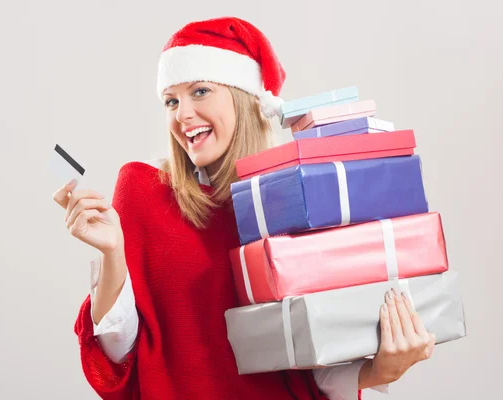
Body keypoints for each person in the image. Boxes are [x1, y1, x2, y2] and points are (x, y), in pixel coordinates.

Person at [52, 16, 436, 400]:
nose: (182, 114)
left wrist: (378, 369)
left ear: (243, 98)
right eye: (171, 100)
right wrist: (113, 252)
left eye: (200, 91)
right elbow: (119, 356)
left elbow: (306, 363)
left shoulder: (293, 199)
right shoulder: (143, 192)